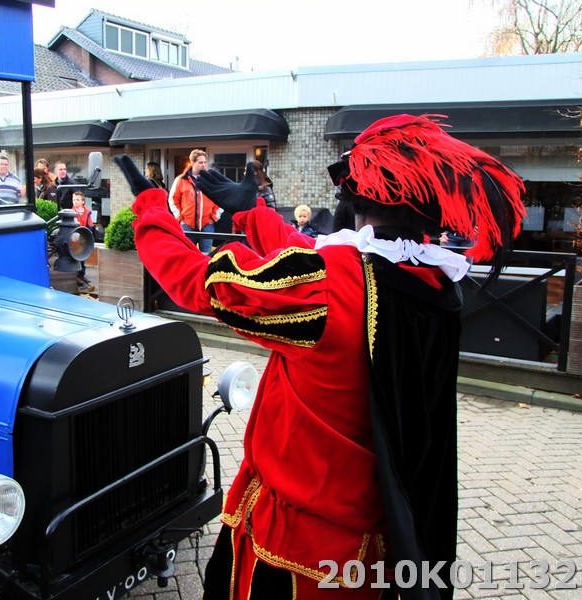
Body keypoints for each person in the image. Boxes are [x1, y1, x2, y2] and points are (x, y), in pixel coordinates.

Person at [114, 113, 526, 599]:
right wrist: (252, 212)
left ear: (356, 198)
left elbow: (199, 282)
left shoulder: (334, 283)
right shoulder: (432, 280)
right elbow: (309, 256)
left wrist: (151, 208)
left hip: (294, 549)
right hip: (372, 538)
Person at [168, 149, 221, 254]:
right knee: (188, 255)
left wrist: (214, 217)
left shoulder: (212, 180)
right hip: (187, 225)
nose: (204, 165)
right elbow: (173, 200)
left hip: (207, 224)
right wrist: (180, 219)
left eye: (205, 162)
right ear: (192, 163)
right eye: (200, 162)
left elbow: (220, 199)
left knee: (206, 256)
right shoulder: (180, 180)